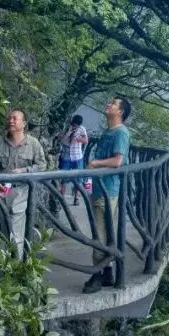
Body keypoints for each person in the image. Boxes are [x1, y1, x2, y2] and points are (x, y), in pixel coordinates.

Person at [81, 96, 131, 292]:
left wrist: (95, 163)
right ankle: (108, 272)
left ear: (120, 112)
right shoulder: (109, 131)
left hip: (106, 189)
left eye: (113, 104)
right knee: (105, 232)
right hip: (100, 187)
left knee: (99, 234)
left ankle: (97, 275)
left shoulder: (121, 133)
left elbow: (118, 161)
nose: (108, 104)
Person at [0, 108, 47, 258]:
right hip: (2, 191)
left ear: (24, 123)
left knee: (16, 229)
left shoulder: (33, 144)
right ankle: (6, 263)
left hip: (22, 191)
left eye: (15, 118)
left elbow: (42, 165)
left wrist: (24, 171)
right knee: (4, 229)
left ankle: (16, 263)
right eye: (9, 118)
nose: (11, 121)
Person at [58, 113, 89, 204]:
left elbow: (86, 141)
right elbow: (61, 140)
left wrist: (78, 139)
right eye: (74, 125)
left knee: (78, 179)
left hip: (77, 156)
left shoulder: (82, 129)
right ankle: (62, 199)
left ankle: (76, 198)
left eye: (77, 125)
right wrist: (68, 133)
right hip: (66, 156)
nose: (75, 127)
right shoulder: (67, 128)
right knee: (63, 178)